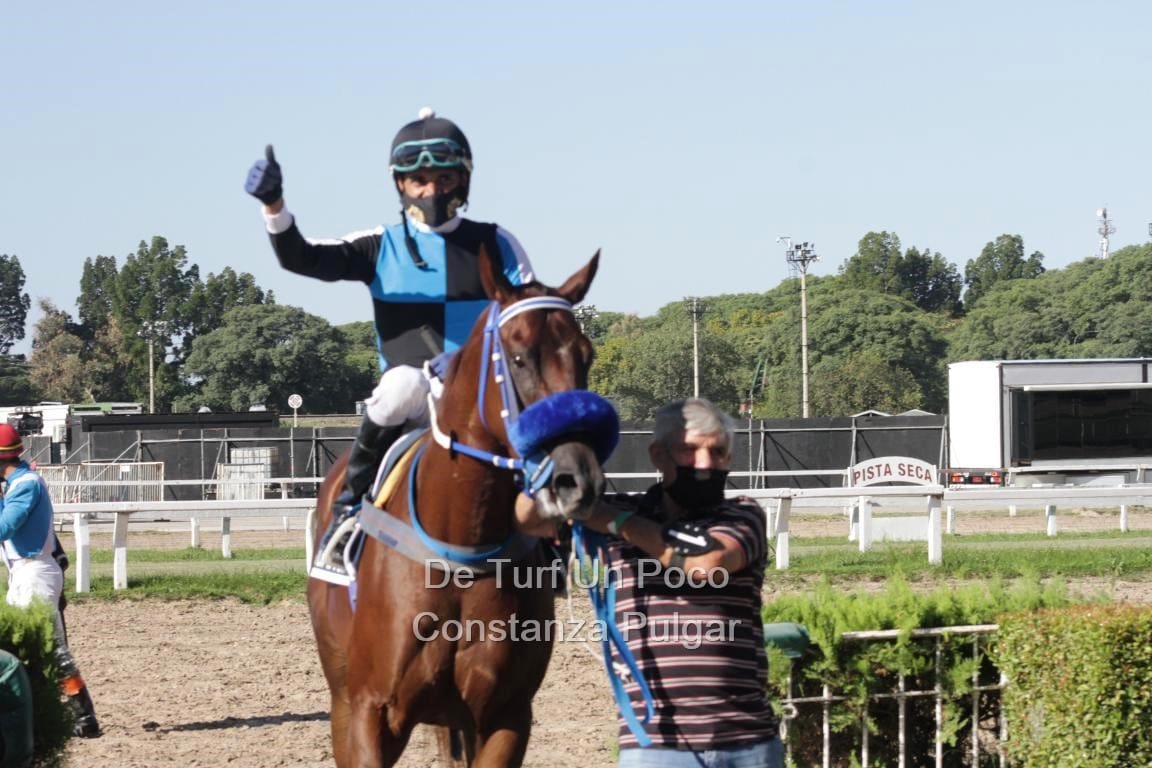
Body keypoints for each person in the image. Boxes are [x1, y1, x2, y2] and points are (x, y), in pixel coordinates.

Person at [245, 108, 535, 579]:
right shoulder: (380, 244)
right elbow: (302, 258)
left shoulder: (497, 242)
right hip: (416, 392)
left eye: (441, 178)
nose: (431, 190)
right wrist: (275, 207)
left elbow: (527, 314)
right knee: (400, 384)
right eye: (418, 179)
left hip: (481, 391)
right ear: (401, 185)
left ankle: (555, 531)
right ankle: (347, 507)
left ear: (462, 180)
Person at [520, 398, 782, 767]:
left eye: (717, 451)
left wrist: (612, 520)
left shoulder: (741, 514)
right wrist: (554, 465)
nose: (705, 463)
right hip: (656, 747)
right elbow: (526, 520)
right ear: (659, 455)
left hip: (748, 743)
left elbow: (706, 564)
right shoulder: (620, 509)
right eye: (690, 449)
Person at [0, 424, 101, 738]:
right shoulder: (18, 483)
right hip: (26, 573)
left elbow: (6, 527)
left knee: (50, 650)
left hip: (34, 573)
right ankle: (44, 716)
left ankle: (83, 720)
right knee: (20, 649)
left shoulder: (26, 483)